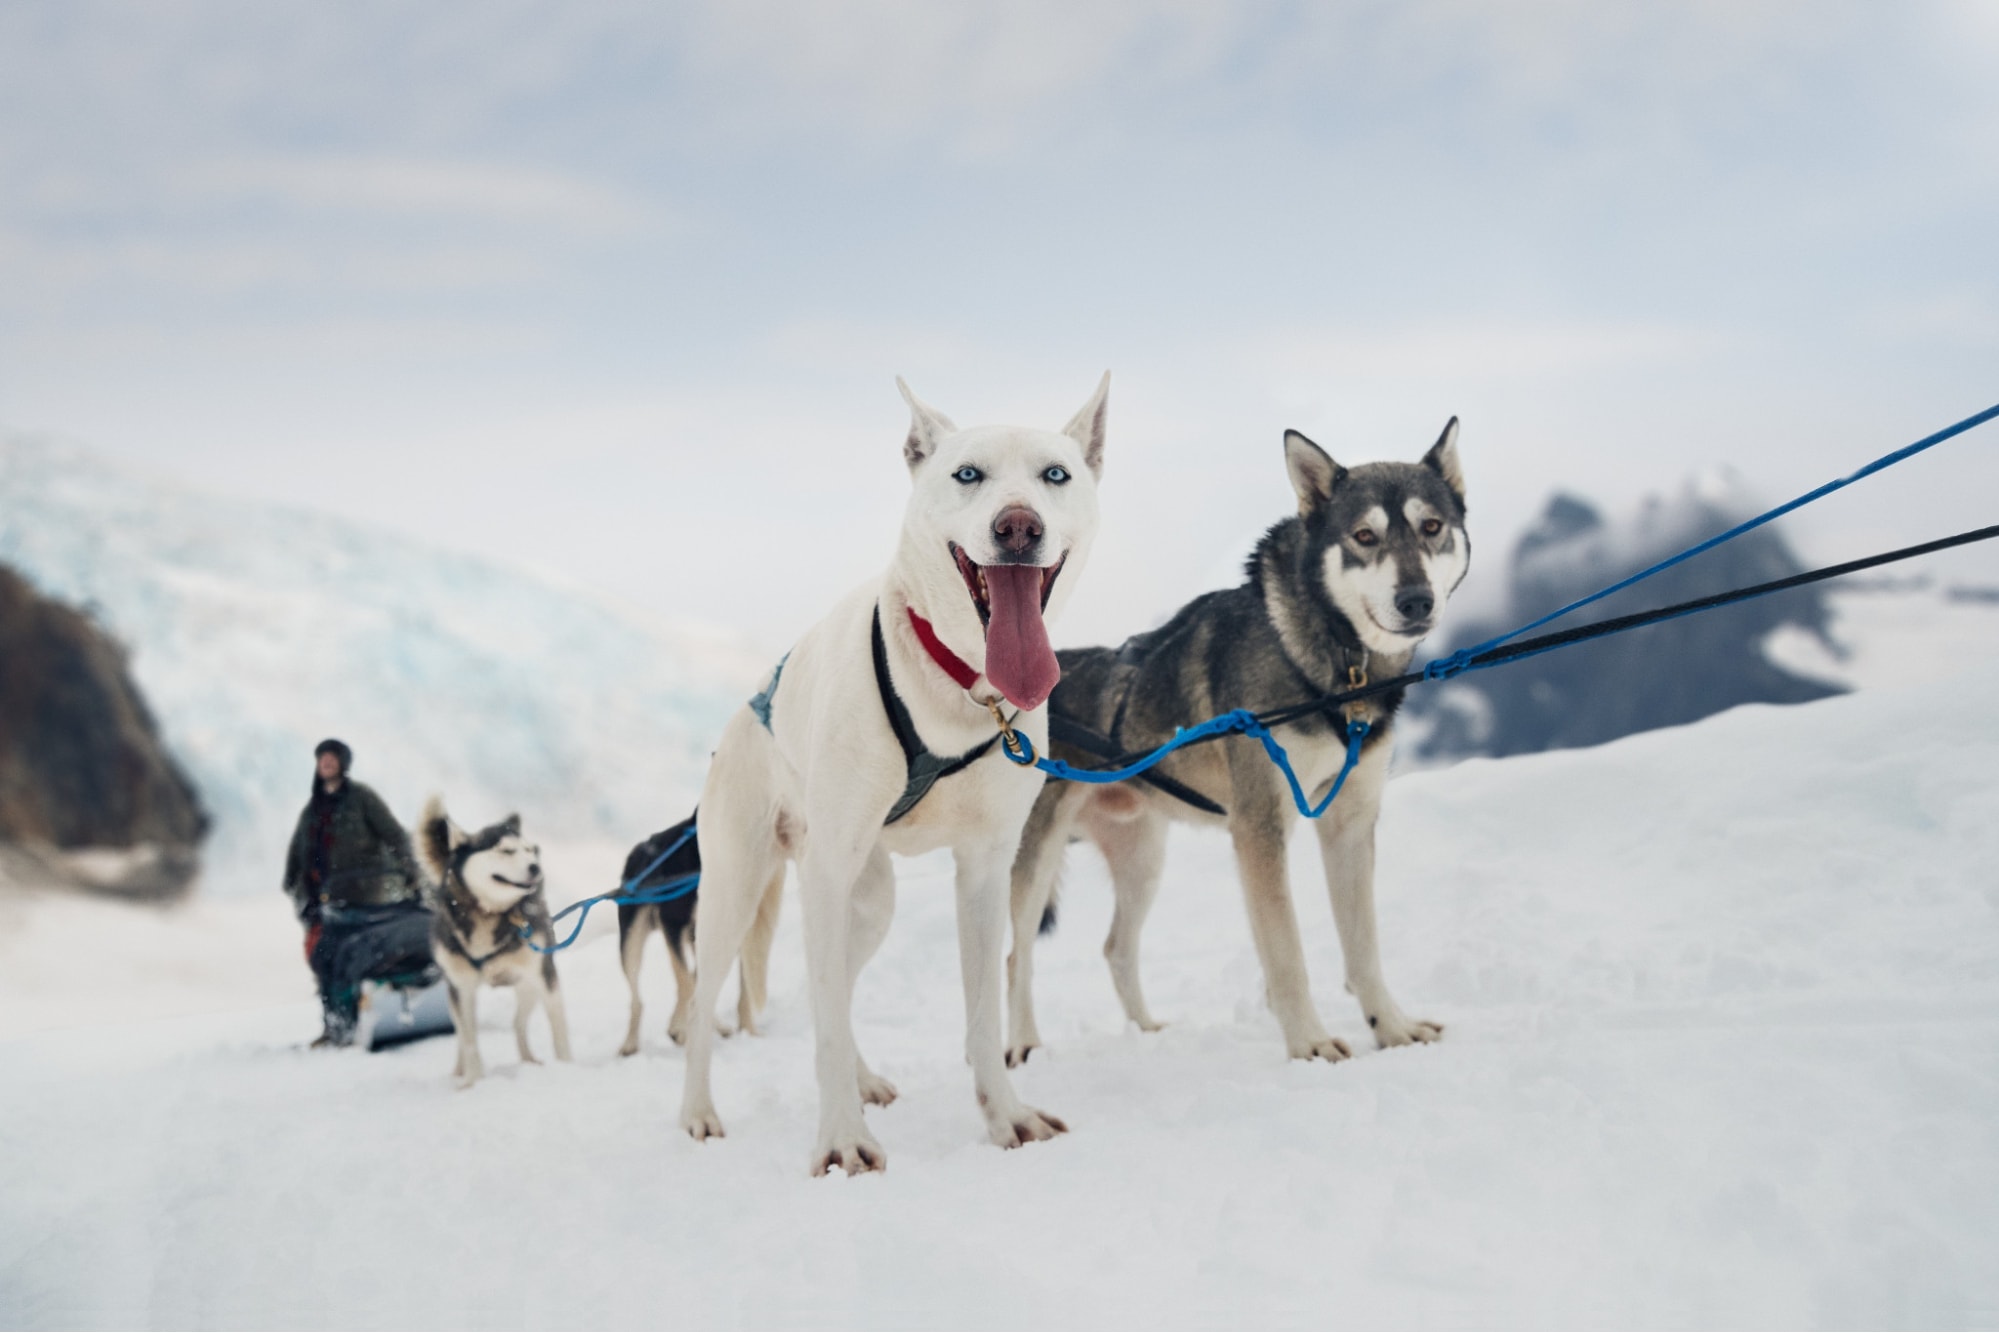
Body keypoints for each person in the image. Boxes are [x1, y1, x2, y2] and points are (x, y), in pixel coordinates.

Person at [283, 738, 436, 1047]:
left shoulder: (362, 799)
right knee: (327, 959)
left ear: (343, 763)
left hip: (374, 899)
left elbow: (394, 835)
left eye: (332, 757)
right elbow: (296, 862)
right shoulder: (312, 811)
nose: (326, 763)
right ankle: (338, 1026)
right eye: (321, 758)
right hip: (331, 906)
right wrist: (302, 896)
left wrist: (414, 873)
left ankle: (407, 1008)